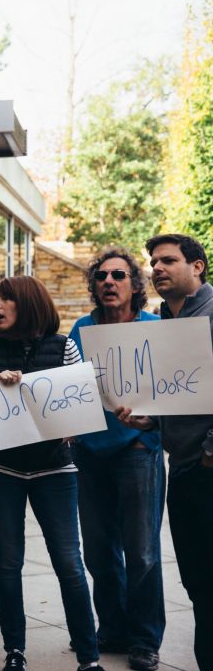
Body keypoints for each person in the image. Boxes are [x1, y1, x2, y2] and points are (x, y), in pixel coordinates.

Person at [0, 276, 103, 671]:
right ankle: (15, 652)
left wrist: (67, 421)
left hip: (55, 470)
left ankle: (88, 657)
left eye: (3, 298)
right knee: (9, 562)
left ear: (25, 304)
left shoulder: (65, 347)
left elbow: (81, 409)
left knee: (68, 561)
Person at [116, 234, 213, 671]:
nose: (156, 268)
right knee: (197, 584)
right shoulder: (164, 322)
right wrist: (150, 419)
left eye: (168, 260)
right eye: (153, 261)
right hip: (185, 470)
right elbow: (182, 396)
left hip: (208, 467)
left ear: (198, 267)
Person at [67, 248, 164, 671]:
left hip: (138, 450)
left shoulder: (156, 328)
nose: (109, 281)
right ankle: (113, 629)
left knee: (141, 552)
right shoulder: (82, 328)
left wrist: (151, 431)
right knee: (98, 551)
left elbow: (176, 390)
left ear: (134, 285)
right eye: (102, 276)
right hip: (90, 452)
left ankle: (145, 640)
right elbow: (68, 383)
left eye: (119, 275)